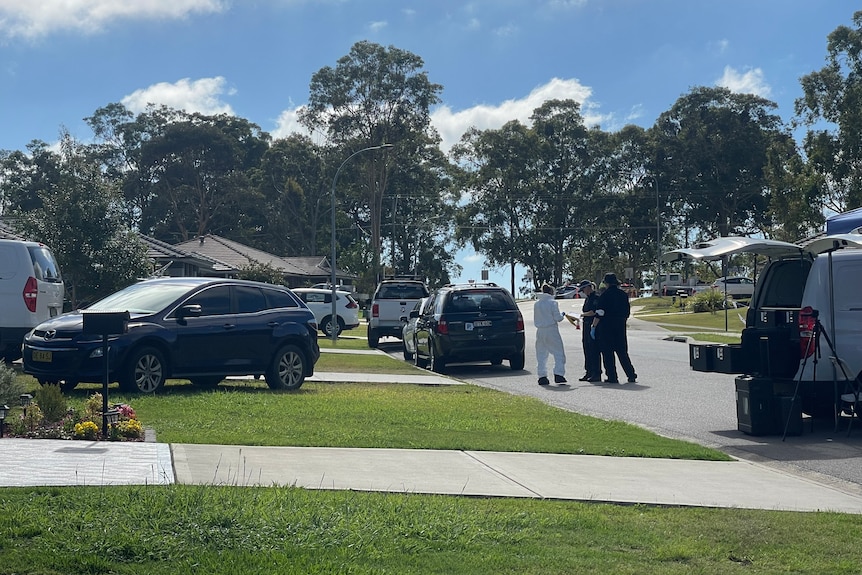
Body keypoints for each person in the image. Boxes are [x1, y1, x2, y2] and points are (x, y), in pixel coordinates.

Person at [591, 273, 638, 384]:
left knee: (608, 353)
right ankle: (631, 374)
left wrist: (593, 326)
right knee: (622, 352)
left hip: (606, 327)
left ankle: (612, 376)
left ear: (606, 283)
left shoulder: (604, 295)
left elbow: (600, 313)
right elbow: (627, 312)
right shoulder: (623, 295)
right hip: (620, 326)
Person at [533, 283, 567, 386]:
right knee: (558, 353)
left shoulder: (537, 304)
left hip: (540, 330)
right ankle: (558, 374)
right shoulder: (553, 303)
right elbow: (557, 318)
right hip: (551, 329)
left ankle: (542, 376)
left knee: (541, 354)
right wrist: (562, 315)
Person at [576, 280, 602, 382]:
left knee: (594, 349)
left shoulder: (596, 297)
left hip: (593, 325)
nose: (583, 292)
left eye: (583, 289)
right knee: (586, 348)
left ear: (588, 287)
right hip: (586, 325)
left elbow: (593, 312)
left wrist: (582, 315)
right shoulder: (587, 299)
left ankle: (596, 372)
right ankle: (589, 371)